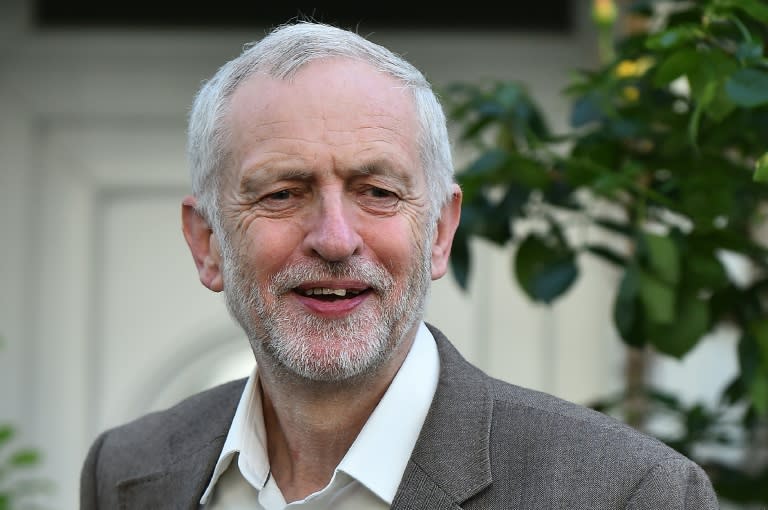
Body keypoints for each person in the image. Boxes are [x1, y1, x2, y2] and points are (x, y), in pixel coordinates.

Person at [79, 21, 718, 509]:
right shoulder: (129, 472)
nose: (334, 239)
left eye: (378, 192)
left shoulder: (626, 493)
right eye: (281, 193)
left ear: (440, 232)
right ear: (207, 242)